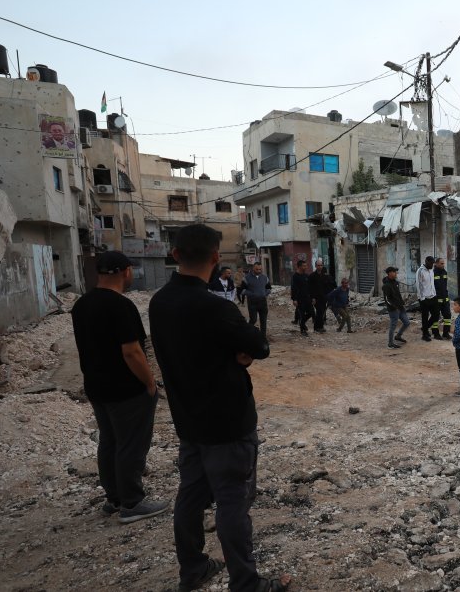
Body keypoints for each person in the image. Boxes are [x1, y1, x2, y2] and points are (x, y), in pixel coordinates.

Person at [148, 224, 288, 592]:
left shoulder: (159, 303)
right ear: (215, 258)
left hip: (188, 421)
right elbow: (259, 346)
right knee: (232, 503)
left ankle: (192, 569)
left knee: (190, 497)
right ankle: (246, 583)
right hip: (228, 422)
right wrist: (237, 356)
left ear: (175, 255)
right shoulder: (216, 308)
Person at [70, 251, 168, 524]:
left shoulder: (82, 305)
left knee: (110, 441)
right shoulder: (121, 306)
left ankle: (114, 498)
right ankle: (132, 502)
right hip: (126, 389)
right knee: (131, 445)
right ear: (125, 271)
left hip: (97, 386)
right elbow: (132, 352)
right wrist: (150, 382)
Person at [382, 266, 410, 349]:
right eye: (394, 272)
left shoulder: (395, 282)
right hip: (393, 309)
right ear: (389, 273)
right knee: (393, 326)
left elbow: (398, 294)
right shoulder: (386, 286)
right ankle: (390, 343)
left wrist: (402, 303)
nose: (396, 273)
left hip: (400, 307)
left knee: (407, 322)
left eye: (396, 272)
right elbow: (387, 299)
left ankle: (398, 336)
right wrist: (394, 307)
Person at [289, 260, 314, 336]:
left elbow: (310, 288)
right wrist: (294, 299)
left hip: (307, 298)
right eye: (304, 266)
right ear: (299, 266)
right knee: (302, 314)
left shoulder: (306, 276)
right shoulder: (295, 277)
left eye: (306, 265)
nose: (305, 267)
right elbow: (293, 288)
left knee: (311, 313)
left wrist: (312, 297)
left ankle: (302, 323)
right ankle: (302, 330)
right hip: (300, 299)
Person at [309, 259, 333, 333]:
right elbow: (310, 288)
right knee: (319, 311)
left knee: (322, 312)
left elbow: (329, 286)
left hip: (323, 297)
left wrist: (328, 296)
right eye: (318, 265)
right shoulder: (312, 276)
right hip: (316, 298)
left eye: (321, 265)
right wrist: (312, 298)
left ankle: (321, 326)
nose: (319, 267)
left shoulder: (325, 276)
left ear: (322, 266)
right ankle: (317, 327)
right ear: (316, 266)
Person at [417, 256, 438, 341]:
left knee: (436, 315)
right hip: (424, 298)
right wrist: (422, 298)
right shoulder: (420, 271)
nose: (432, 265)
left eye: (433, 263)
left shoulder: (431, 270)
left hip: (433, 296)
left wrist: (434, 294)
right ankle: (424, 335)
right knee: (425, 317)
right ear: (426, 262)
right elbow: (418, 285)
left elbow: (432, 284)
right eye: (430, 263)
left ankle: (425, 328)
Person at [433, 258, 452, 340]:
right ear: (436, 264)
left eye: (443, 263)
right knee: (435, 317)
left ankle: (446, 333)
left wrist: (446, 296)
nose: (443, 265)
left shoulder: (444, 272)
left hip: (445, 298)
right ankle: (436, 334)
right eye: (441, 263)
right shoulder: (432, 273)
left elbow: (444, 285)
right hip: (436, 299)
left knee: (448, 315)